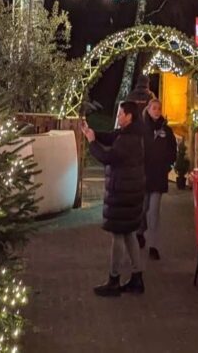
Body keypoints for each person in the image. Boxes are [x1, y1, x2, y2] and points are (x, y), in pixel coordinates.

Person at [82, 102, 146, 297]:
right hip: (131, 192)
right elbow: (111, 136)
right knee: (129, 234)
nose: (118, 117)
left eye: (120, 114)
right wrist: (92, 132)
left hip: (123, 193)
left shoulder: (128, 140)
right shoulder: (132, 134)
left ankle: (114, 280)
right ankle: (137, 278)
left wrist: (92, 142)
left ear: (129, 116)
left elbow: (107, 157)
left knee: (118, 235)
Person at [137, 99, 176, 260]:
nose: (157, 111)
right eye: (154, 108)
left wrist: (168, 165)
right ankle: (140, 231)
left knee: (154, 212)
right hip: (144, 176)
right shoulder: (141, 129)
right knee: (143, 209)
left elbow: (172, 150)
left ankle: (153, 245)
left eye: (159, 108)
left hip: (158, 177)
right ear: (148, 109)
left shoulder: (166, 130)